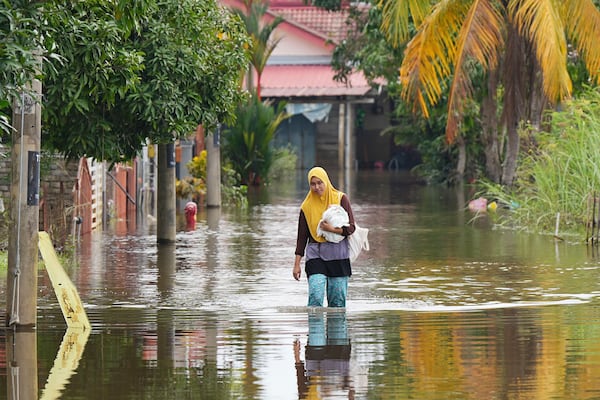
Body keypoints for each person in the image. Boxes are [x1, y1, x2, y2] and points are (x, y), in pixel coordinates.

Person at [293, 166, 355, 307]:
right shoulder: (306, 207)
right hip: (316, 254)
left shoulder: (340, 199)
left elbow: (351, 228)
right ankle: (315, 328)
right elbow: (302, 238)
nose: (317, 187)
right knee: (315, 297)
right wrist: (296, 264)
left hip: (338, 255)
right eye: (313, 184)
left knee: (337, 302)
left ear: (326, 181)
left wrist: (331, 229)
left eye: (320, 182)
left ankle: (337, 328)